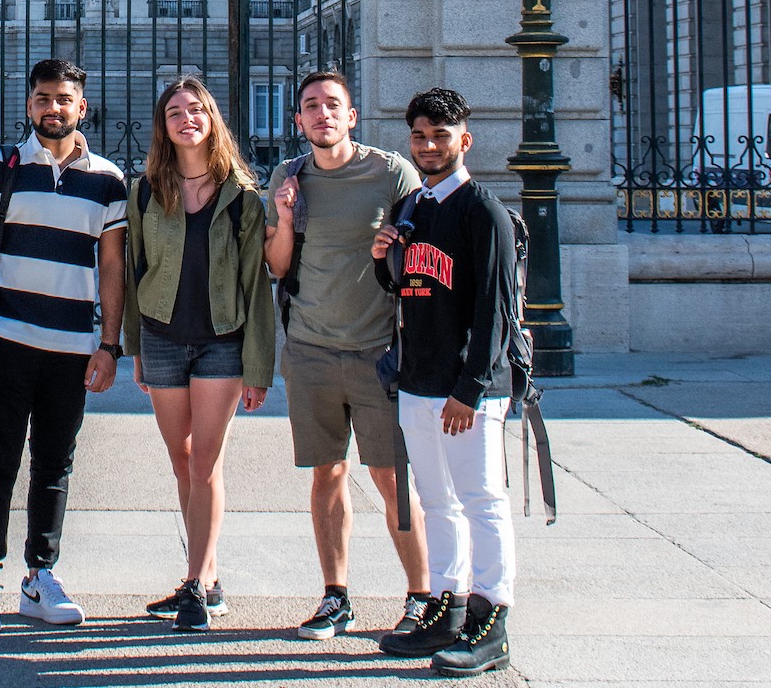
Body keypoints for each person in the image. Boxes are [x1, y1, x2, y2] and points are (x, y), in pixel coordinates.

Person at [0, 59, 127, 632]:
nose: (52, 108)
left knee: (55, 465)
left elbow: (111, 264)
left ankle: (40, 574)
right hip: (6, 337)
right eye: (42, 98)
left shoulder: (107, 180)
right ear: (29, 105)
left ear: (82, 107)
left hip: (73, 345)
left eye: (63, 99)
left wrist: (110, 343)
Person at [263, 70, 430, 640]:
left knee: (390, 476)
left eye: (333, 104)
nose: (322, 114)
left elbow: (425, 253)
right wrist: (285, 219)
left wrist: (397, 246)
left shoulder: (391, 173)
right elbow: (278, 267)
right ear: (298, 120)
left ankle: (421, 596)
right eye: (311, 106)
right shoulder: (288, 176)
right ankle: (336, 596)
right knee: (326, 474)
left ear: (351, 116)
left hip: (378, 352)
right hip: (309, 349)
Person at [372, 87, 518, 677]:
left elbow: (496, 309)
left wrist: (472, 387)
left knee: (482, 500)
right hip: (418, 379)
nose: (429, 146)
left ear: (465, 139)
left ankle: (493, 618)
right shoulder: (413, 206)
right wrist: (386, 258)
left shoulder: (483, 211)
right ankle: (447, 606)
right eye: (419, 136)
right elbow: (408, 291)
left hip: (466, 387)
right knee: (436, 501)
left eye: (440, 136)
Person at [124, 75, 274, 632]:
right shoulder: (145, 193)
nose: (186, 119)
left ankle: (194, 586)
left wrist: (259, 365)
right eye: (174, 113)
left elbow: (258, 287)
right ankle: (208, 578)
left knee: (206, 462)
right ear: (163, 127)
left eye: (195, 109)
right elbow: (137, 269)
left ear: (211, 119)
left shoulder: (242, 197)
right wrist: (135, 347)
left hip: (222, 342)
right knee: (182, 460)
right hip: (162, 338)